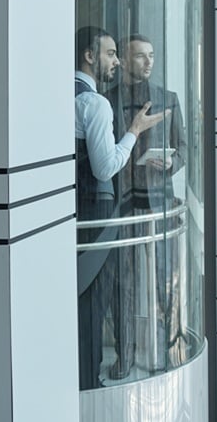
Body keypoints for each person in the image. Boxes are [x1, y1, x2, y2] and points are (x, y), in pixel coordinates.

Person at [75, 26, 168, 389]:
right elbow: (105, 168)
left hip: (76, 207)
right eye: (111, 53)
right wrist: (134, 130)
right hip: (98, 210)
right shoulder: (96, 102)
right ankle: (88, 377)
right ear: (89, 55)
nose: (114, 61)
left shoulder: (59, 93)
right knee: (94, 297)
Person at [105, 34, 187, 373]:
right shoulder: (106, 102)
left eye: (151, 55)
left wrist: (171, 163)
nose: (148, 62)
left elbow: (184, 148)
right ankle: (125, 356)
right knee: (121, 285)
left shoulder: (168, 98)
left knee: (166, 281)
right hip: (123, 206)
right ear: (124, 59)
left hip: (159, 204)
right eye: (141, 56)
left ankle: (169, 351)